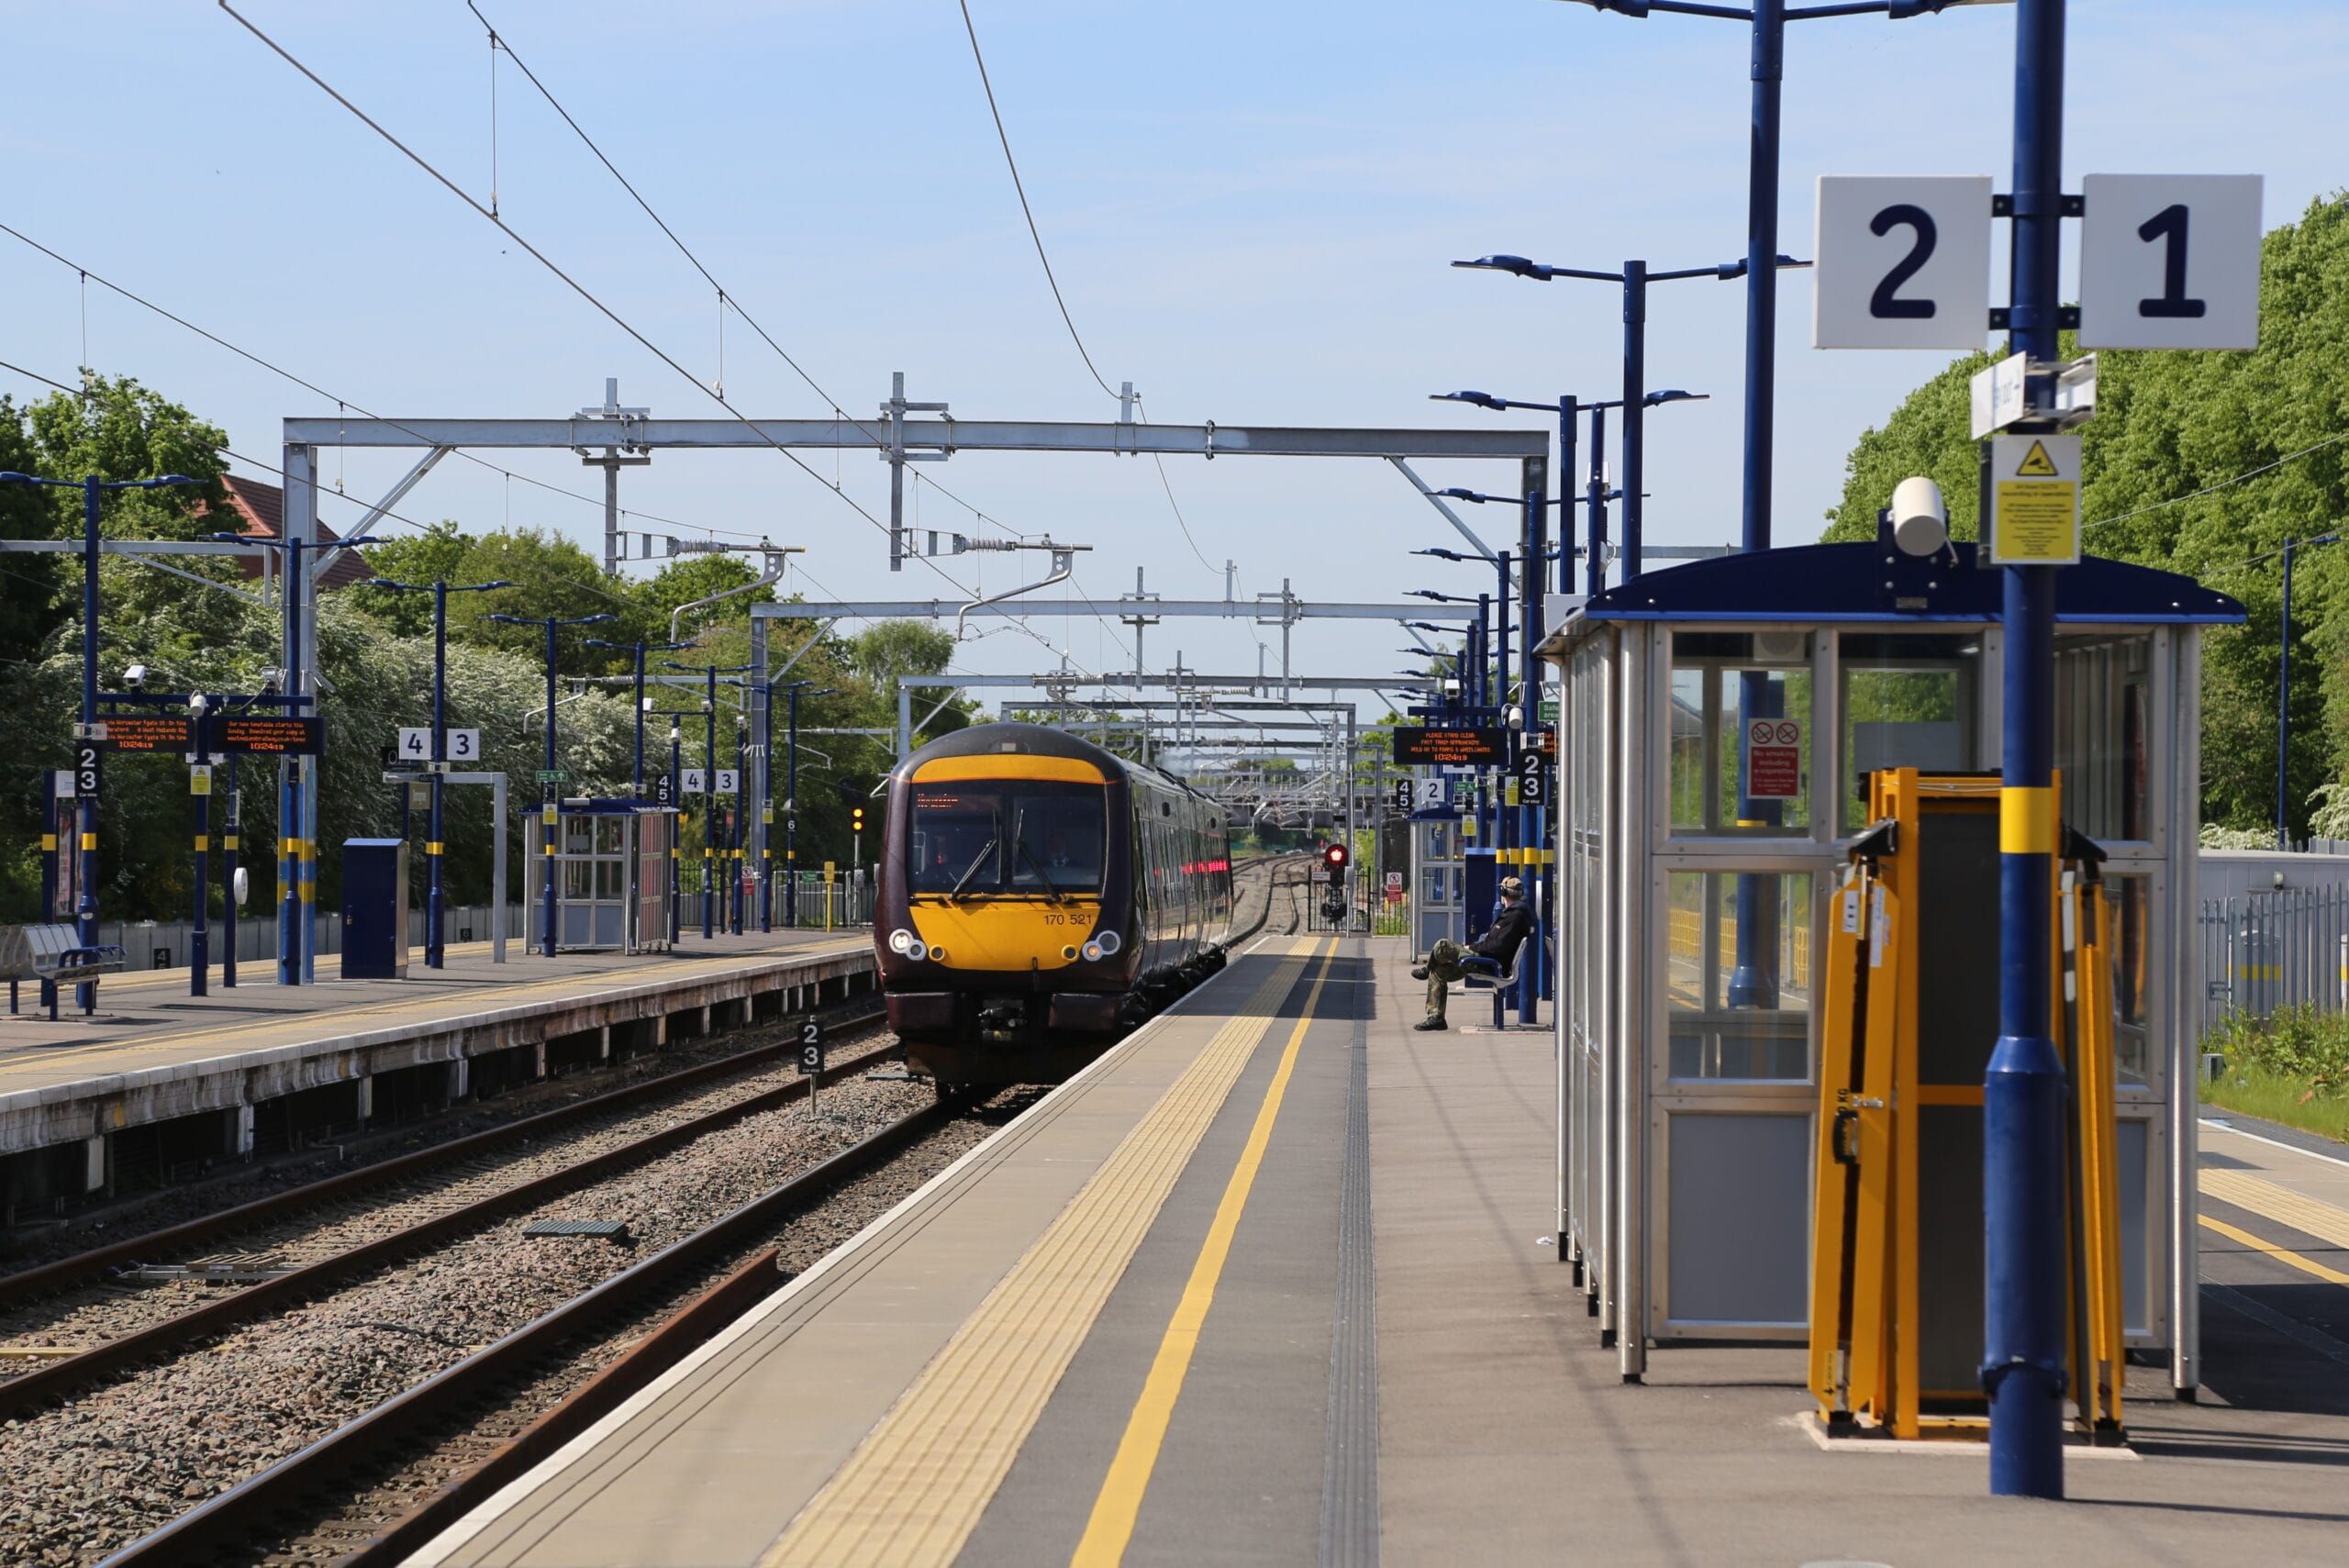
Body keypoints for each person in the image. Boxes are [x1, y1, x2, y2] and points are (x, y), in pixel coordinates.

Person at [1411, 876, 1532, 1031]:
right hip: (1485, 960)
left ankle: (1427, 968)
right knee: (1439, 972)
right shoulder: (1512, 914)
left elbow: (1497, 946)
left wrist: (1473, 947)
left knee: (1442, 945)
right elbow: (1494, 942)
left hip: (1488, 963)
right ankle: (1436, 1017)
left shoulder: (1515, 917)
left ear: (1503, 892)